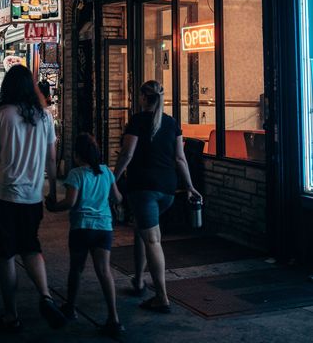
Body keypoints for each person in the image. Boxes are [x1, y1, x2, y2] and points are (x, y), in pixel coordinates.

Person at [0, 65, 66, 333]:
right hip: (33, 198)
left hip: (5, 196)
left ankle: (11, 315)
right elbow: (52, 158)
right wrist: (54, 191)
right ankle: (45, 296)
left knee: (7, 255)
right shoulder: (44, 117)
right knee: (31, 248)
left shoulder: (0, 115)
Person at [114, 80, 202, 313]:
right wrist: (190, 186)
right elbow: (180, 159)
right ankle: (139, 281)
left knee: (152, 240)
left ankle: (161, 297)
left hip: (144, 189)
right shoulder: (171, 123)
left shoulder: (137, 121)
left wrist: (113, 178)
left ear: (143, 97)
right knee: (142, 232)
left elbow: (127, 153)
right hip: (167, 190)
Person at [46, 133, 126, 341]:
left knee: (76, 269)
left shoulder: (76, 174)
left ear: (78, 156)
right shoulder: (107, 173)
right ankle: (114, 319)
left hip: (81, 228)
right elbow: (117, 198)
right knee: (104, 271)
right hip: (103, 229)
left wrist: (54, 207)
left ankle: (71, 308)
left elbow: (70, 202)